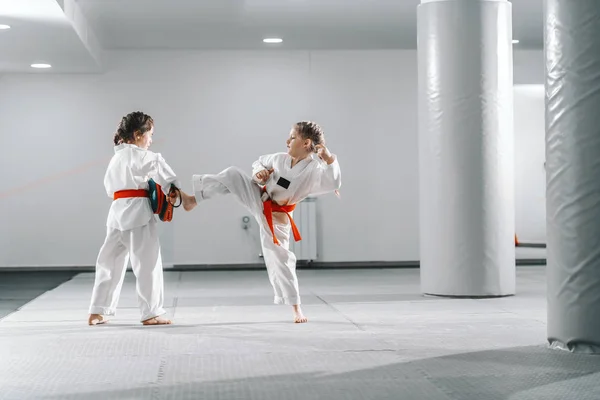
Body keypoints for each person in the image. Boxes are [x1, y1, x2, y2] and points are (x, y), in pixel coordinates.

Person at [182, 121, 341, 323]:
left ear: (306, 142)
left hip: (277, 219)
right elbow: (259, 163)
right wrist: (259, 174)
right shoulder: (279, 158)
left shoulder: (313, 170)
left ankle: (296, 308)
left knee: (282, 258)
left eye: (292, 137)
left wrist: (328, 158)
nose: (287, 141)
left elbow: (334, 181)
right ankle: (193, 200)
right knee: (233, 174)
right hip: (258, 198)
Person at [88, 111, 187, 326]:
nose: (151, 140)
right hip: (139, 213)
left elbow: (108, 189)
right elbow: (170, 180)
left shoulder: (116, 158)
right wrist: (174, 192)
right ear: (138, 134)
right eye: (150, 134)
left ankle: (98, 310)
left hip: (116, 213)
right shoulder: (148, 157)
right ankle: (151, 313)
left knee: (109, 262)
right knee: (148, 263)